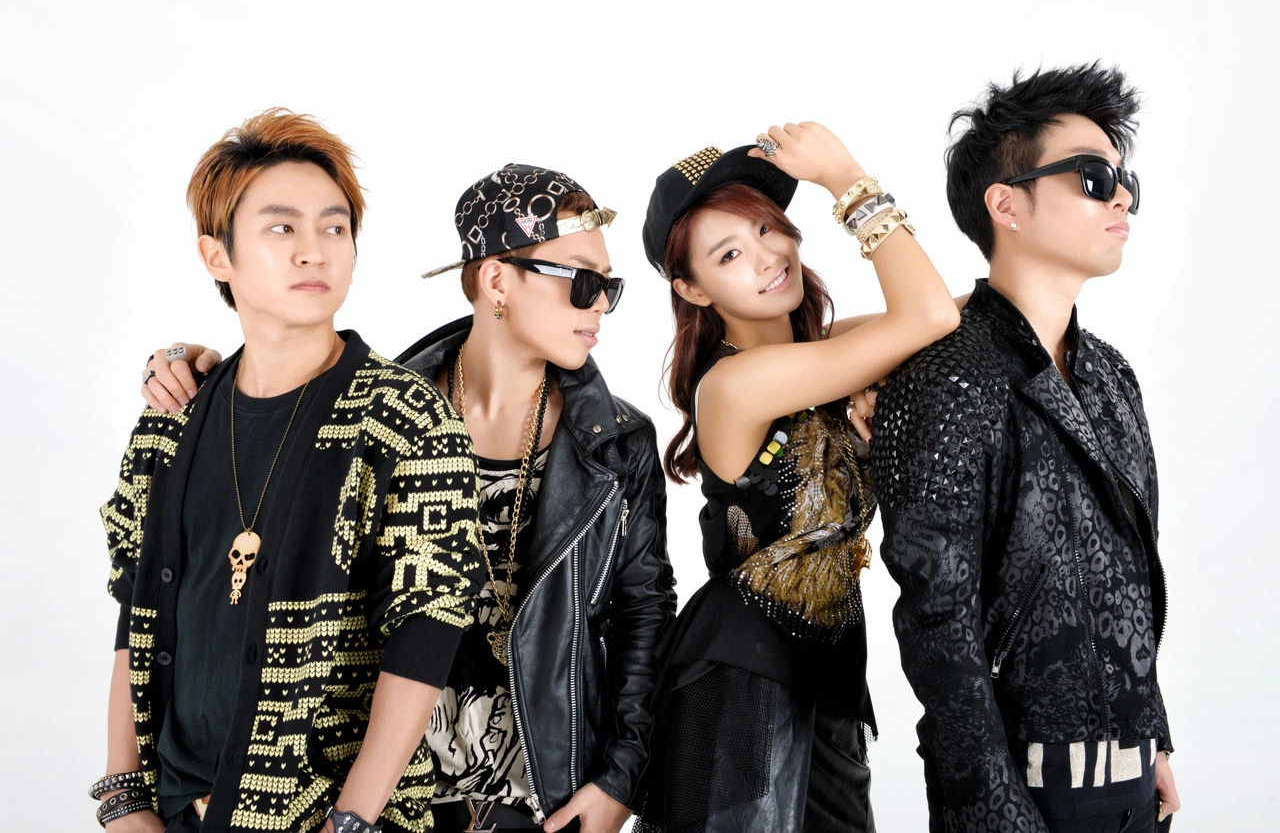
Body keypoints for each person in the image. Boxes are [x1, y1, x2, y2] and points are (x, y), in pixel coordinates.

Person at [137, 163, 677, 833]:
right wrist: (187, 366)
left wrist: (619, 778)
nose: (600, 305)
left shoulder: (617, 444)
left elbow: (643, 616)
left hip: (545, 797)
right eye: (584, 282)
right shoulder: (378, 418)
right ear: (497, 280)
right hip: (388, 797)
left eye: (610, 288)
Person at [95, 109, 483, 833]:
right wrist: (124, 798)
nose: (314, 252)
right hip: (176, 808)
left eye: (334, 228)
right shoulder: (172, 416)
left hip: (325, 814)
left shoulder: (401, 415)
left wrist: (354, 818)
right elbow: (136, 603)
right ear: (218, 256)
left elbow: (427, 630)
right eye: (282, 228)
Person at [871, 63, 1181, 832]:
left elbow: (1128, 575)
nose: (1121, 197)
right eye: (1094, 177)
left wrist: (1152, 736)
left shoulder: (1112, 375)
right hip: (1023, 795)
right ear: (1006, 204)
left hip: (1134, 790)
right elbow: (937, 621)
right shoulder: (947, 374)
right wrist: (996, 814)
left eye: (1126, 181)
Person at [633, 123, 960, 833]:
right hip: (741, 684)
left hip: (829, 676)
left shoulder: (831, 351)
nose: (766, 257)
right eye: (728, 254)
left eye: (764, 228)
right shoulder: (733, 386)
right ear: (692, 289)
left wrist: (876, 378)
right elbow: (930, 315)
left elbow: (959, 317)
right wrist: (846, 178)